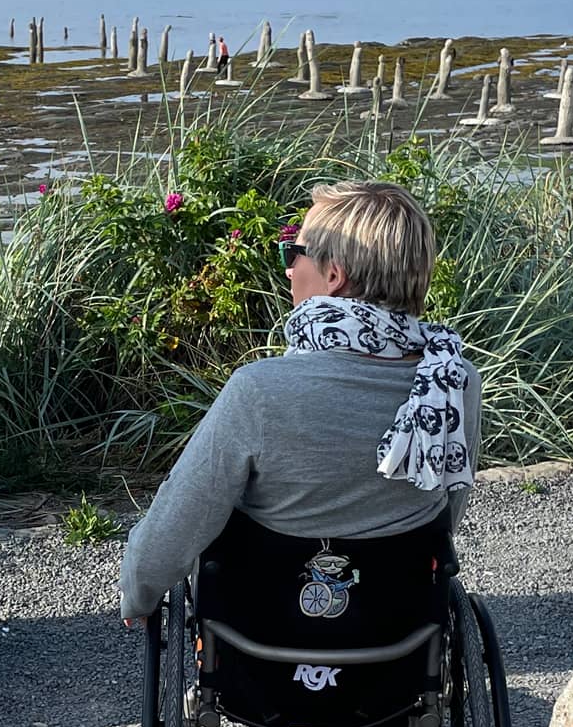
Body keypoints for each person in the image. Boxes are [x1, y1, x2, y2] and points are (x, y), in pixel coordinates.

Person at [119, 180, 481, 629]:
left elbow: (178, 522)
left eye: (295, 253)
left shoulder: (260, 390)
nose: (289, 269)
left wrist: (138, 593)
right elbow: (444, 514)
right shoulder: (451, 381)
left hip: (260, 635)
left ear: (333, 275)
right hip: (397, 630)